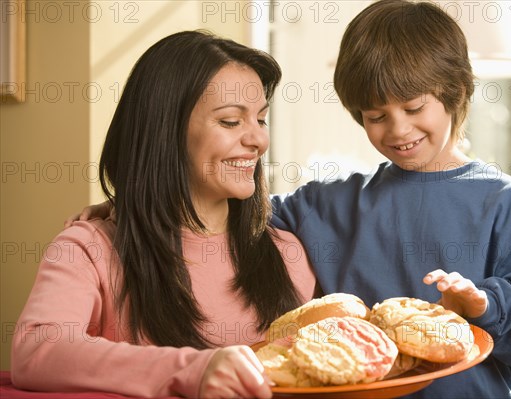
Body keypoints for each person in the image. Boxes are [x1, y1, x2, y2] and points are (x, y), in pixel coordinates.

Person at [67, 1, 511, 398]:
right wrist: (133, 203)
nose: (397, 129)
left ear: (457, 90)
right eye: (375, 116)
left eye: (414, 107)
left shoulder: (506, 203)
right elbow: (228, 209)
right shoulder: (329, 204)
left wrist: (484, 303)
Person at [11, 30, 317, 399]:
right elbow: (38, 352)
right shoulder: (88, 248)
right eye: (231, 122)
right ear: (165, 131)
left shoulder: (287, 253)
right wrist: (193, 370)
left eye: (261, 120)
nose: (258, 140)